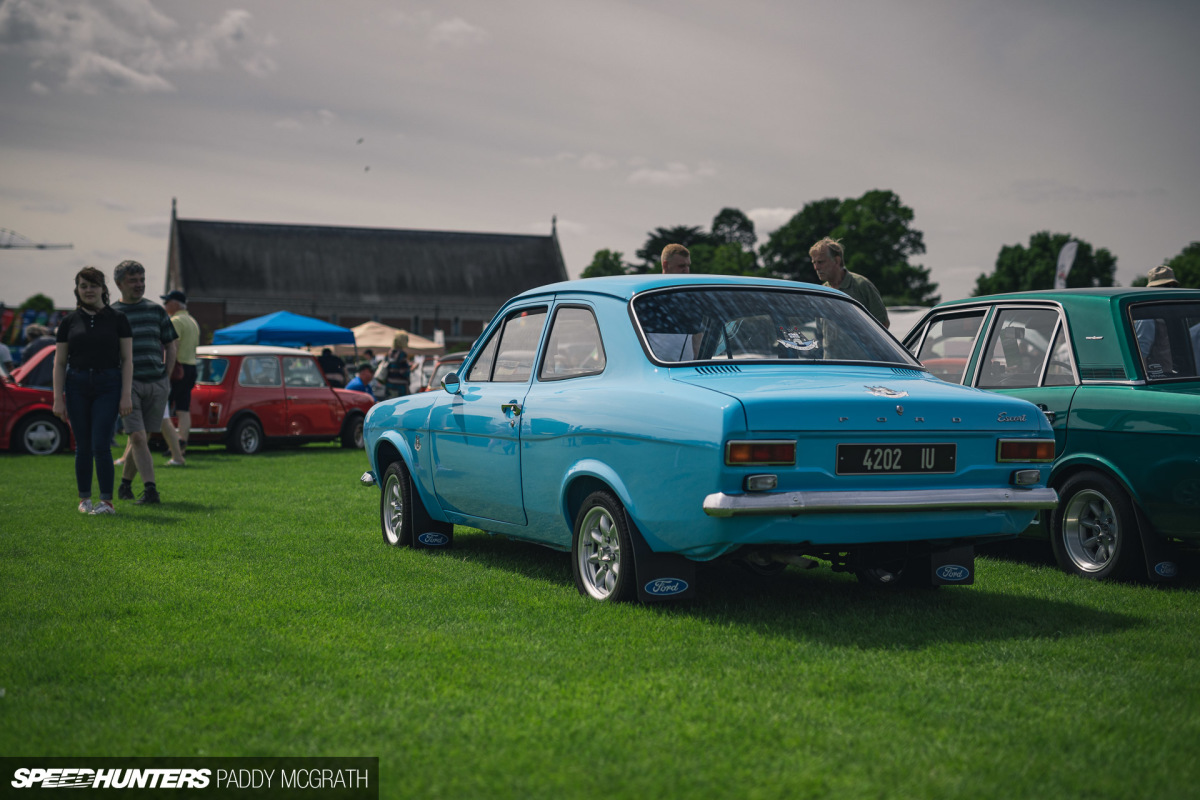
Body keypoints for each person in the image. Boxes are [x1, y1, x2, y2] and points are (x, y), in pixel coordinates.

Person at [51, 267, 133, 515]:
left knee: (101, 444)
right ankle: (84, 500)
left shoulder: (118, 319)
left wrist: (126, 394)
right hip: (75, 384)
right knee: (82, 445)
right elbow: (59, 362)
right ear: (77, 289)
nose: (89, 290)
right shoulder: (68, 321)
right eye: (83, 285)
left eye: (94, 285)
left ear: (103, 289)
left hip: (108, 384)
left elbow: (127, 359)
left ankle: (106, 502)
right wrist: (58, 398)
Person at [112, 260, 179, 505]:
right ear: (119, 284)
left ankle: (124, 485)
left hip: (157, 382)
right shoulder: (112, 314)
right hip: (128, 385)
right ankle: (151, 491)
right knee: (138, 437)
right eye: (133, 281)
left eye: (142, 280)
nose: (139, 285)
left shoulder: (155, 310)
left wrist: (167, 377)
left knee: (141, 438)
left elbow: (171, 344)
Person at [809, 237, 890, 328]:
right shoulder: (821, 292)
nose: (816, 268)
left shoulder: (861, 285)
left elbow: (883, 324)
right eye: (814, 263)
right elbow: (820, 332)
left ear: (836, 260)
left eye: (820, 262)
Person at [161, 289, 200, 457]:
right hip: (191, 367)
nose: (165, 305)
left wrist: (166, 371)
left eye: (167, 302)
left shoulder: (175, 321)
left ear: (175, 304)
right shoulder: (192, 321)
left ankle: (174, 443)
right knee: (183, 409)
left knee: (163, 407)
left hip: (178, 369)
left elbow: (173, 347)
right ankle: (182, 443)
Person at [1134, 265, 1182, 376]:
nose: (1170, 290)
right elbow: (1142, 355)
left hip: (1180, 376)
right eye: (1165, 286)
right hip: (1160, 378)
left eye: (1173, 286)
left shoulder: (1177, 314)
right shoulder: (1147, 319)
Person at [376, 334, 411, 399]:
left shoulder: (390, 352)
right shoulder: (402, 354)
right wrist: (411, 368)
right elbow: (404, 372)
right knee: (401, 406)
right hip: (400, 387)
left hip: (389, 385)